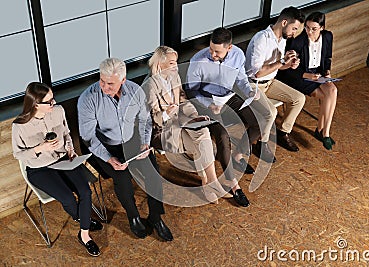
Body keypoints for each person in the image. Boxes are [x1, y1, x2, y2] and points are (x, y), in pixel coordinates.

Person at [77, 58, 173, 241]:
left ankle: (155, 218)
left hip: (132, 141)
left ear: (123, 79)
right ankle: (133, 216)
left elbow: (145, 120)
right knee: (123, 180)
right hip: (105, 146)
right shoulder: (87, 99)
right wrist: (108, 158)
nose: (104, 87)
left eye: (110, 84)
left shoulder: (136, 91)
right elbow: (88, 138)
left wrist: (145, 143)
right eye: (102, 81)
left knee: (154, 176)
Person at [186, 27, 276, 207]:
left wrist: (249, 90)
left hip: (228, 96)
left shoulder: (238, 55)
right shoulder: (198, 60)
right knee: (222, 136)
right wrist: (209, 104)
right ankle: (233, 185)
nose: (212, 54)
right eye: (211, 49)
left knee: (259, 122)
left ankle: (237, 155)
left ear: (229, 48)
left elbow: (241, 78)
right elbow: (191, 90)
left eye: (217, 51)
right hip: (207, 101)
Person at [12, 82, 103, 257]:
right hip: (39, 169)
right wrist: (39, 148)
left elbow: (67, 133)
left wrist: (70, 149)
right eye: (49, 102)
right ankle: (84, 220)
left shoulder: (58, 111)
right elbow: (19, 155)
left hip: (63, 159)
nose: (54, 104)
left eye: (53, 99)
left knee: (85, 191)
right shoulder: (20, 125)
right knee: (68, 198)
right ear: (36, 104)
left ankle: (83, 234)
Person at [141, 46, 228, 204]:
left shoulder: (174, 77)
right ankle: (210, 182)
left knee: (202, 132)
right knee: (199, 141)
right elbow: (151, 121)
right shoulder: (149, 86)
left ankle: (209, 182)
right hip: (161, 131)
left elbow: (184, 101)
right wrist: (167, 112)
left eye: (176, 62)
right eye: (172, 63)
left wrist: (195, 117)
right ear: (160, 64)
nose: (176, 66)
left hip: (180, 122)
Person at [245, 6, 306, 152]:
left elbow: (277, 67)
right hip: (253, 85)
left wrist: (289, 64)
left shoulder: (281, 39)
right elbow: (257, 73)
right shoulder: (261, 39)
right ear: (284, 22)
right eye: (294, 28)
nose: (294, 33)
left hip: (270, 82)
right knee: (271, 112)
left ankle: (283, 133)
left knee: (299, 98)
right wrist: (282, 62)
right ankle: (261, 143)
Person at [276, 12, 337, 150]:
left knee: (333, 90)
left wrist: (327, 72)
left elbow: (327, 58)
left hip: (318, 74)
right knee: (326, 96)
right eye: (307, 27)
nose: (309, 31)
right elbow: (290, 69)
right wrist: (306, 75)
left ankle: (325, 131)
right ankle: (321, 132)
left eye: (313, 29)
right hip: (300, 76)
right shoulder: (298, 41)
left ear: (322, 27)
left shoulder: (328, 36)